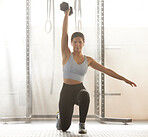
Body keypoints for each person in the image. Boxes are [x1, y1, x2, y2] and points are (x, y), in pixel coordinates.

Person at [56, 9, 137, 134]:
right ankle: (60, 118)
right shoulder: (66, 54)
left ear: (83, 43)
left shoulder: (88, 60)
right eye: (75, 42)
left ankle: (82, 124)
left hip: (78, 89)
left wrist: (124, 79)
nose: (77, 44)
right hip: (66, 91)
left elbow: (106, 70)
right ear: (71, 43)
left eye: (80, 42)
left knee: (85, 95)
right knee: (64, 127)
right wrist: (66, 13)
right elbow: (64, 33)